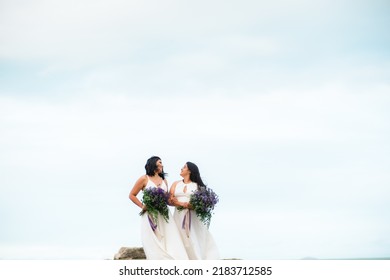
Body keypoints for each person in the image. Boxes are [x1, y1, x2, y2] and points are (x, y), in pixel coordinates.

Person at [129, 156, 188, 259]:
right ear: (153, 163)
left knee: (170, 238)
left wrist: (182, 204)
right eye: (160, 162)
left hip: (164, 214)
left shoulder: (164, 180)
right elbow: (132, 195)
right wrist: (142, 206)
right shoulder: (144, 178)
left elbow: (167, 200)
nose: (162, 164)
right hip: (150, 214)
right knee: (153, 241)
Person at [169, 162, 220, 259]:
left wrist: (188, 205)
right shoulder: (176, 184)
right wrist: (182, 204)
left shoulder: (197, 186)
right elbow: (169, 199)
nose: (181, 168)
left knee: (193, 239)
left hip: (193, 217)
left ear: (190, 171)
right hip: (178, 216)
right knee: (180, 238)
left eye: (184, 167)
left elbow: (202, 204)